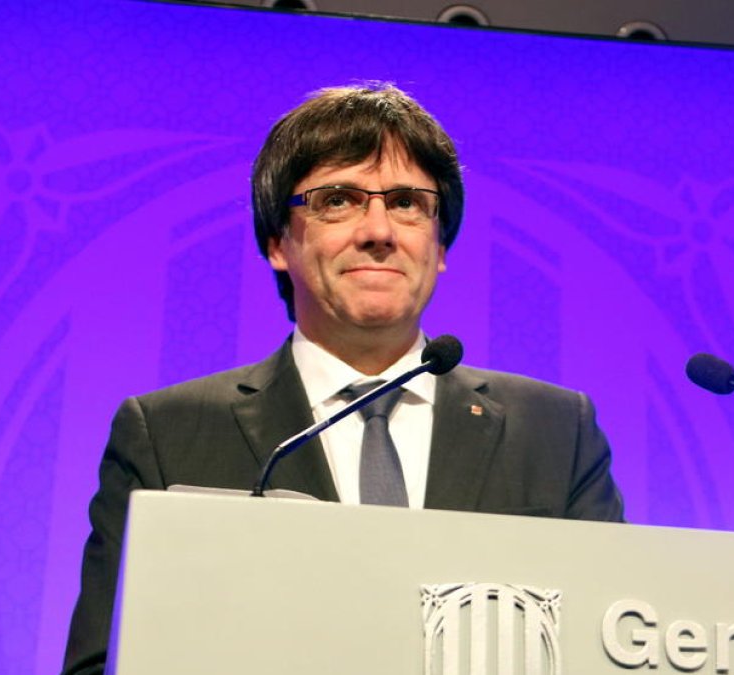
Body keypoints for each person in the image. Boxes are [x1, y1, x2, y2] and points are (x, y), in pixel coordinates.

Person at [61, 83, 624, 675]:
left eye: (408, 202)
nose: (378, 230)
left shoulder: (558, 430)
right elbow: (104, 663)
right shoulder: (167, 433)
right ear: (278, 242)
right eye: (338, 200)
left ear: (440, 247)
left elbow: (608, 648)